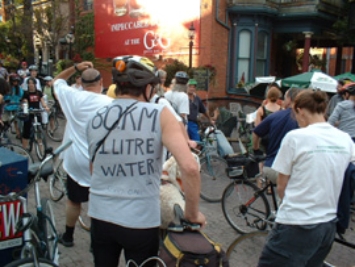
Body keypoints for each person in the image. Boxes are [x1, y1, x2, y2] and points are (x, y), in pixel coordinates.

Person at [86, 55, 205, 267]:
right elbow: (189, 167)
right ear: (147, 88)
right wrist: (192, 214)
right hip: (139, 220)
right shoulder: (159, 113)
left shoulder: (96, 116)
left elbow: (94, 168)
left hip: (100, 215)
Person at [258, 89, 355, 267]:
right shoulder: (344, 139)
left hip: (296, 222)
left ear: (300, 110)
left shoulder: (296, 137)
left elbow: (282, 185)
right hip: (327, 225)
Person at [53, 62, 112, 247]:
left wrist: (76, 67)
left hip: (77, 161)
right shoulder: (111, 104)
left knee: (73, 200)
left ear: (82, 84)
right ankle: (99, 243)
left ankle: (68, 237)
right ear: (101, 82)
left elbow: (57, 81)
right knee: (101, 204)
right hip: (101, 162)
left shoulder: (72, 97)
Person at [252, 87, 300, 185]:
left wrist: (256, 150)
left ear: (289, 100)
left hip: (271, 164)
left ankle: (260, 183)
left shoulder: (275, 115)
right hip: (290, 168)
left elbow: (256, 131)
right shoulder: (302, 118)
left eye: (285, 98)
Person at [21, 77, 49, 149]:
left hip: (37, 112)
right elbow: (25, 102)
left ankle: (41, 148)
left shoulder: (39, 93)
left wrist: (46, 107)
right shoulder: (26, 93)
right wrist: (26, 108)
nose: (31, 85)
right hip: (29, 112)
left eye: (32, 83)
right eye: (29, 83)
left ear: (35, 84)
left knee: (39, 130)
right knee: (26, 130)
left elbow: (43, 102)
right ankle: (24, 148)